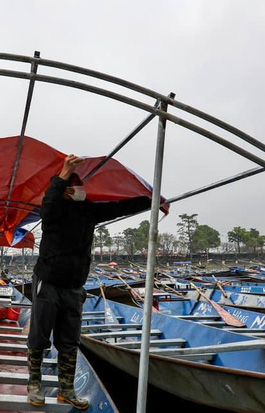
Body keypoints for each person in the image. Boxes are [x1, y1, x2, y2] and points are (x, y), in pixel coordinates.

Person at [26, 154, 152, 409]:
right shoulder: (53, 210)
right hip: (48, 283)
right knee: (39, 336)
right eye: (77, 187)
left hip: (74, 287)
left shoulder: (88, 212)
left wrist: (151, 200)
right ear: (66, 190)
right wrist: (63, 173)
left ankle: (67, 389)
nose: (82, 191)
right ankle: (34, 385)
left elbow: (120, 208)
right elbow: (49, 201)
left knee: (70, 341)